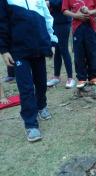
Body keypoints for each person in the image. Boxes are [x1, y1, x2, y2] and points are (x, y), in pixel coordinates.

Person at [0, 0, 58, 142]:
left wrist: (52, 41)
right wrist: (4, 49)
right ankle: (31, 124)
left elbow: (47, 18)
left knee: (41, 83)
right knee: (26, 88)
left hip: (39, 48)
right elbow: (2, 23)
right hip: (18, 50)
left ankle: (41, 106)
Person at [62, 0, 96, 88]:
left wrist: (89, 12)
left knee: (93, 52)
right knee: (79, 53)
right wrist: (76, 15)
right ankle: (81, 78)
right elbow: (64, 10)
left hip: (91, 27)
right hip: (77, 28)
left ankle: (93, 77)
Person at [46, 0, 76, 88]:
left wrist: (49, 3)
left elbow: (61, 3)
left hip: (63, 23)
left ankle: (70, 78)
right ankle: (56, 77)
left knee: (64, 49)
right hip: (53, 23)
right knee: (57, 50)